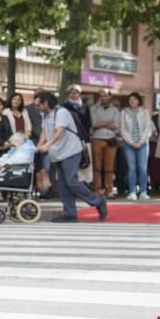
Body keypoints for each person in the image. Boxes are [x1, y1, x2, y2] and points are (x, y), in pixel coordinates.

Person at [34, 91, 107, 222]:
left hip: (71, 150)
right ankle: (70, 213)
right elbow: (45, 131)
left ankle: (98, 201)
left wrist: (47, 145)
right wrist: (39, 145)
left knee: (71, 181)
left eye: (38, 104)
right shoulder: (45, 115)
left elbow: (59, 132)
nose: (37, 107)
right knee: (62, 184)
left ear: (45, 103)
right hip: (58, 153)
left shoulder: (61, 112)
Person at [119, 91, 153, 201]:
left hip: (142, 143)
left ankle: (143, 191)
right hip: (129, 144)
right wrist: (132, 142)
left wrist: (141, 141)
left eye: (134, 99)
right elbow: (122, 129)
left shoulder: (145, 112)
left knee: (142, 168)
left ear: (139, 101)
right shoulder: (124, 113)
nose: (132, 101)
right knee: (131, 168)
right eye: (130, 99)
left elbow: (148, 128)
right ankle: (132, 192)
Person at [89, 88, 120, 198]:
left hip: (111, 140)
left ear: (109, 97)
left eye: (105, 95)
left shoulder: (115, 110)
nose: (103, 97)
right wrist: (108, 122)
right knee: (97, 167)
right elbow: (94, 124)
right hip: (97, 139)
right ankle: (97, 190)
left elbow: (116, 125)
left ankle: (109, 190)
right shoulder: (93, 108)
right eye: (101, 95)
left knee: (109, 167)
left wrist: (102, 123)